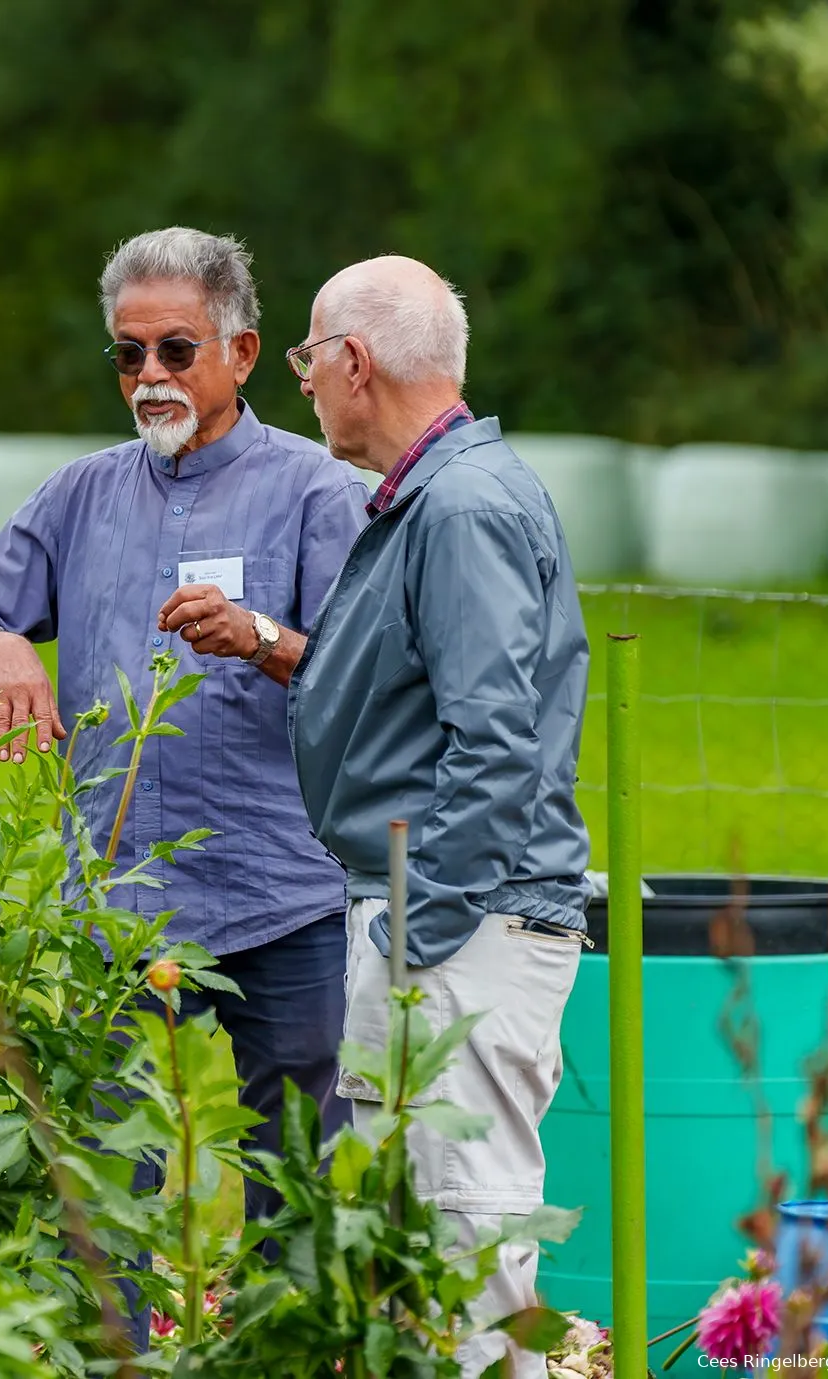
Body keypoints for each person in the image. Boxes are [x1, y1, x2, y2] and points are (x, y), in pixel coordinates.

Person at [0, 227, 366, 1303]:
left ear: (245, 351)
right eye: (129, 356)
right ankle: (113, 1351)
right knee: (103, 1178)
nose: (150, 377)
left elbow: (368, 675)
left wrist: (262, 637)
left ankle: (282, 1354)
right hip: (117, 900)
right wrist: (5, 645)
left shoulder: (319, 491)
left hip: (286, 891)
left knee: (299, 1180)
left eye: (176, 350)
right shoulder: (78, 494)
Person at [217, 253, 586, 1377]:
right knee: (423, 1245)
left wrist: (413, 927)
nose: (304, 385)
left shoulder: (461, 506)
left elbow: (496, 740)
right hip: (443, 910)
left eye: (307, 358)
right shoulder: (442, 494)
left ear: (356, 363)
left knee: (462, 1232)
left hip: (457, 925)